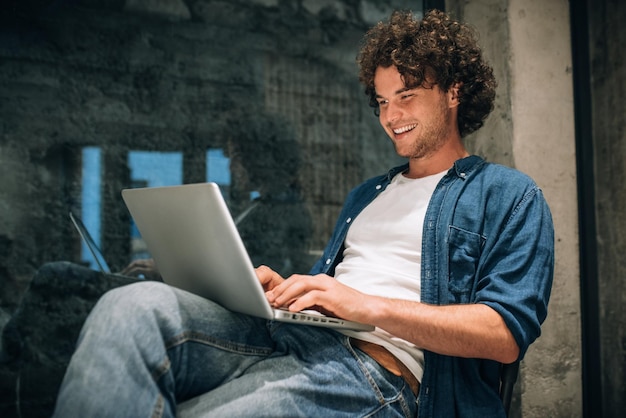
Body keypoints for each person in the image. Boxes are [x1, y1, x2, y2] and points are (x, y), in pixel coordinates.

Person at [53, 9, 553, 418]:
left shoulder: (507, 194)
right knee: (132, 307)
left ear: (453, 92)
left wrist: (368, 307)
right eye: (381, 101)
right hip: (294, 337)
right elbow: (337, 293)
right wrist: (287, 293)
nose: (391, 116)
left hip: (379, 376)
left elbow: (505, 335)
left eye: (406, 96)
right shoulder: (367, 194)